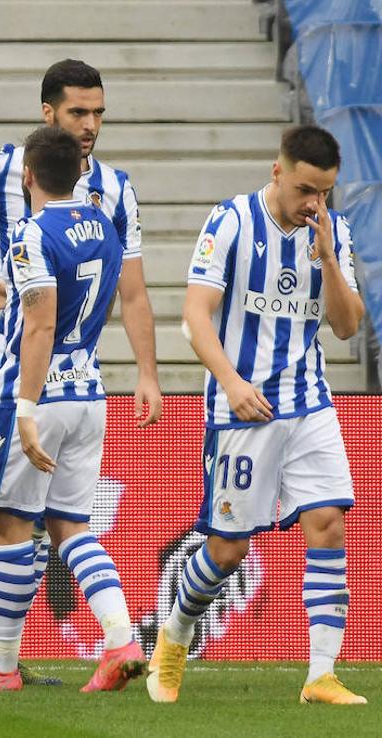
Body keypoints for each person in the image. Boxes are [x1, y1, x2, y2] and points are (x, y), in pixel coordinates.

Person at [0, 59, 162, 679]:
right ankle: (109, 639)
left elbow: (130, 294)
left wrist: (145, 372)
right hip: (67, 374)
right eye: (78, 112)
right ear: (49, 112)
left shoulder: (113, 189)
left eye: (99, 112)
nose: (91, 124)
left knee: (12, 513)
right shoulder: (10, 175)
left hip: (29, 369)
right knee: (59, 519)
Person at [148, 125, 366, 706]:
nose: (313, 203)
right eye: (304, 190)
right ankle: (174, 632)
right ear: (277, 171)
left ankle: (321, 674)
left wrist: (328, 261)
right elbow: (196, 316)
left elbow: (347, 326)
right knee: (228, 551)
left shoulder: (333, 233)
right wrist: (231, 381)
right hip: (241, 406)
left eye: (323, 192)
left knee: (329, 524)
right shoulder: (230, 222)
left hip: (310, 401)